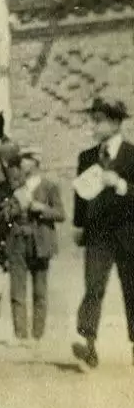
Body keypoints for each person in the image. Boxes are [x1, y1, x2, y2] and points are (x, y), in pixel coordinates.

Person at [71, 97, 134, 369]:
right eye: (92, 120)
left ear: (116, 123)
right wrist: (78, 225)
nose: (93, 126)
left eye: (99, 121)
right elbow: (80, 197)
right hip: (97, 236)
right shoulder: (86, 157)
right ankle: (89, 346)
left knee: (132, 290)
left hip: (128, 235)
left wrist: (120, 184)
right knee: (93, 288)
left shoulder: (132, 155)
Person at [3, 146, 64, 347]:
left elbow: (60, 214)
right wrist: (13, 208)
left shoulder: (49, 187)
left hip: (40, 242)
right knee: (17, 291)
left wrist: (42, 208)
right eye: (21, 160)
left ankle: (38, 336)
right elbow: (5, 216)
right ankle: (20, 335)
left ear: (36, 162)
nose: (22, 163)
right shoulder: (16, 187)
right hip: (18, 241)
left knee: (40, 292)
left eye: (26, 159)